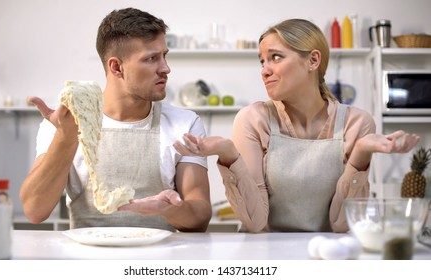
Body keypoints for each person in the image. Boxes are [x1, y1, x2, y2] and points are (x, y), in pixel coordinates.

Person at [174, 19, 420, 233]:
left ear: (313, 60)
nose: (264, 70)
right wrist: (228, 154)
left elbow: (341, 224)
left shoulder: (356, 123)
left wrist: (361, 154)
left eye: (275, 57)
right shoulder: (253, 119)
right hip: (264, 254)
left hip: (328, 256)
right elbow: (255, 222)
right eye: (262, 61)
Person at [20, 8, 212, 232]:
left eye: (164, 56)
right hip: (85, 260)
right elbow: (35, 210)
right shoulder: (64, 125)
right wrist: (66, 137)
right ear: (116, 67)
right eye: (151, 58)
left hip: (159, 260)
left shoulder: (184, 123)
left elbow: (200, 218)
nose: (166, 68)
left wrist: (167, 209)